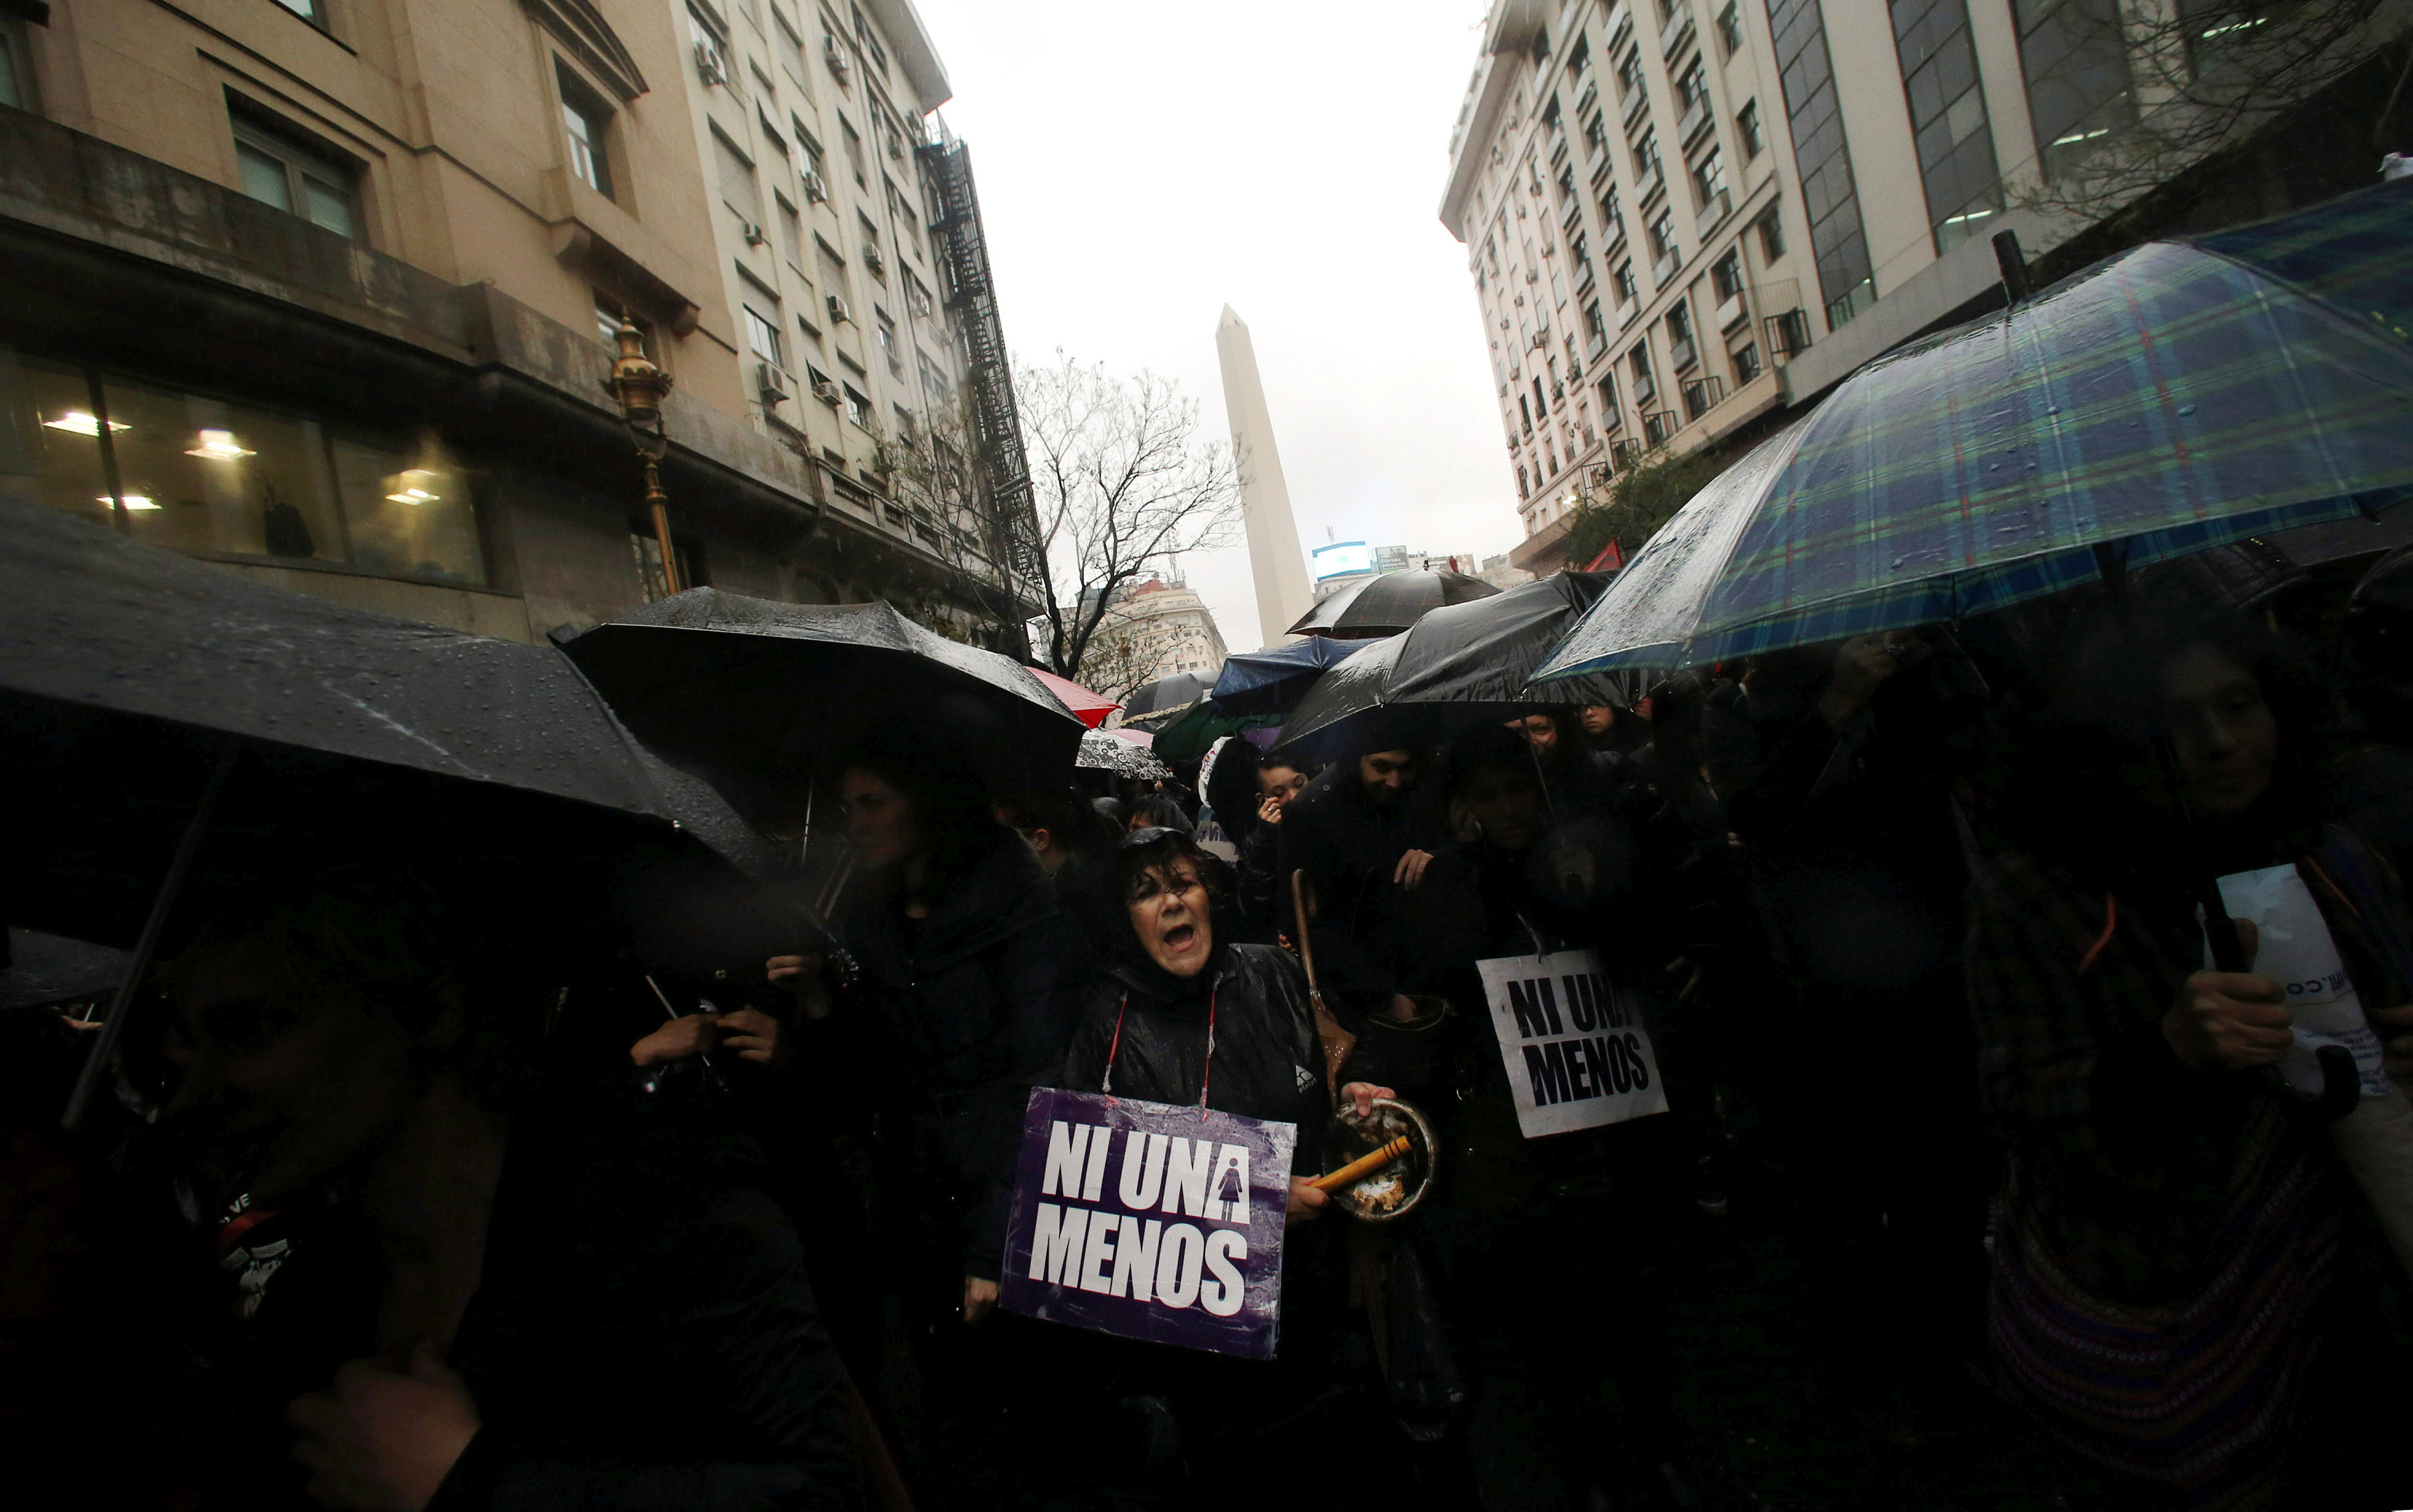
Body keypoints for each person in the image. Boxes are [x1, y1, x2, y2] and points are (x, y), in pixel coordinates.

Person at [160, 881, 856, 1511]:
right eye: (189, 1047)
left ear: (430, 1011)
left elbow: (814, 1494)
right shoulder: (318, 1293)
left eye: (248, 1030)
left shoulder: (660, 1210)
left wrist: (469, 1484)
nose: (191, 1102)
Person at [1970, 608, 2413, 1509]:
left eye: (2239, 705)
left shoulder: (2336, 858)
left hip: (2371, 1298)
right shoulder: (2039, 901)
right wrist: (2163, 1060)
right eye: (2177, 720)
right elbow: (2031, 1109)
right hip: (2191, 1306)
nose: (2219, 743)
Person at [1356, 725, 1695, 1507]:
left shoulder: (1588, 856)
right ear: (1462, 809)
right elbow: (1443, 988)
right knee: (1553, 1313)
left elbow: (1641, 958)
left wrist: (1588, 892)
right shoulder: (1450, 883)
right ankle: (1581, 1461)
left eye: (1518, 791)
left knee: (1632, 1299)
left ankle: (1651, 1451)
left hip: (1614, 1121)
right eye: (1488, 797)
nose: (1508, 809)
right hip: (1521, 1137)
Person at [1058, 827, 1393, 1495]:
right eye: (1147, 893)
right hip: (1199, 1349)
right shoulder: (1106, 1021)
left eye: (1182, 883)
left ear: (1208, 895)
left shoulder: (1271, 974)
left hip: (1311, 1312)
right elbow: (1101, 1187)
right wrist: (1261, 1201)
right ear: (1124, 921)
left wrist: (1347, 1099)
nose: (1172, 903)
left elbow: (1314, 1093)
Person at [770, 736, 1086, 1329]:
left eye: (873, 803)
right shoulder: (867, 910)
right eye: (849, 809)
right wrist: (819, 1003)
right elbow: (871, 1068)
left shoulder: (1012, 896)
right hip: (913, 1203)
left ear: (925, 802)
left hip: (1001, 1197)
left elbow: (1043, 1076)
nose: (858, 824)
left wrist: (999, 1243)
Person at [1276, 746, 1447, 1028]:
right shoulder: (1312, 812)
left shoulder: (1421, 797)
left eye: (1404, 769)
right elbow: (1300, 922)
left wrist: (1436, 862)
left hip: (1427, 978)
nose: (1394, 781)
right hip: (1357, 999)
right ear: (1358, 759)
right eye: (1381, 767)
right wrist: (1381, 996)